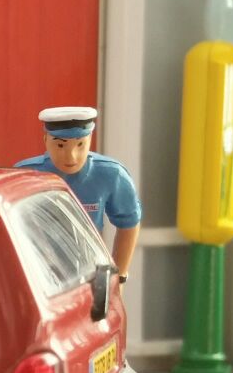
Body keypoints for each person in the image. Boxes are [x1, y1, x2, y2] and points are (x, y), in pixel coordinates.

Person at [13, 106, 141, 282]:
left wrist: (119, 276)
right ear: (46, 140)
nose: (71, 156)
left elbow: (129, 222)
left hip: (89, 272)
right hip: (38, 275)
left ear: (90, 140)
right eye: (60, 145)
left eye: (80, 144)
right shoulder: (25, 175)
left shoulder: (111, 174)